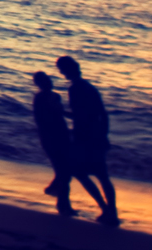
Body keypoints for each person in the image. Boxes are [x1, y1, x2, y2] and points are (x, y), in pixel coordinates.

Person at [57, 55, 120, 227]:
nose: (61, 73)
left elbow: (79, 116)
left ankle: (105, 209)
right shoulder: (90, 88)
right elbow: (103, 114)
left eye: (61, 70)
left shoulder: (74, 89)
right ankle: (112, 211)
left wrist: (61, 113)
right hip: (97, 136)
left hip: (84, 138)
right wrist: (104, 135)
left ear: (66, 71)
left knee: (80, 173)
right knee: (103, 176)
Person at [32, 72, 99, 216]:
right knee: (64, 172)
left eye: (48, 79)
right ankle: (62, 204)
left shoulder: (56, 96)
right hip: (50, 138)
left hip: (63, 135)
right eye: (44, 81)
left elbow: (61, 113)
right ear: (39, 84)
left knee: (64, 171)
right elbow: (40, 120)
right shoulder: (39, 98)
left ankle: (60, 200)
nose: (48, 82)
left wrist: (80, 117)